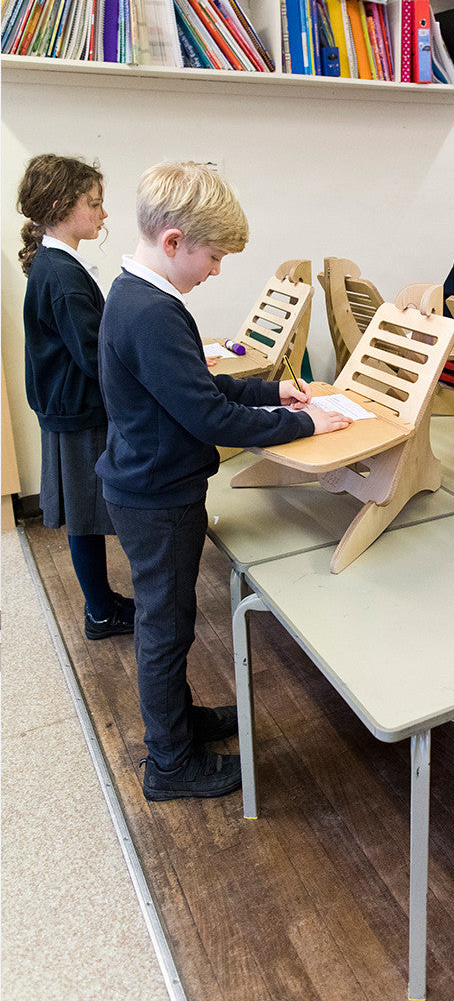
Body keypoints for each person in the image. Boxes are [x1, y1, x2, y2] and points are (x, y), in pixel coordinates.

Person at [96, 161, 351, 802]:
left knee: (170, 621)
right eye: (214, 256)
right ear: (174, 241)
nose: (217, 270)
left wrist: (276, 391)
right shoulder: (151, 312)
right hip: (157, 496)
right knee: (165, 628)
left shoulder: (143, 297)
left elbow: (199, 386)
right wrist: (307, 425)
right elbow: (209, 415)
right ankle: (170, 764)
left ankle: (179, 725)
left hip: (150, 487)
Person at [18, 153, 134, 641]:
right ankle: (101, 612)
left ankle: (101, 603)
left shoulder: (54, 263)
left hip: (66, 407)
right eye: (95, 204)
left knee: (83, 515)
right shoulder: (62, 275)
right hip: (78, 411)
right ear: (62, 205)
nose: (104, 215)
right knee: (86, 517)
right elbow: (93, 355)